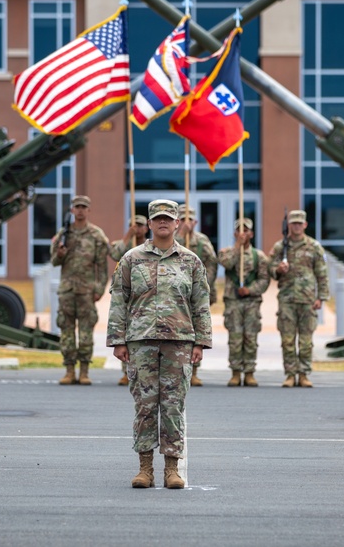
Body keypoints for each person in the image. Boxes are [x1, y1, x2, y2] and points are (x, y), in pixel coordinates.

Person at [108, 199, 212, 490]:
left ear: (177, 223)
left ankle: (171, 469)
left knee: (173, 406)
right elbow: (118, 300)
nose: (163, 222)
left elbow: (201, 303)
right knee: (144, 405)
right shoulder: (131, 258)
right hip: (140, 343)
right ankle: (145, 469)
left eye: (169, 218)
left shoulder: (191, 261)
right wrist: (118, 340)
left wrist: (201, 343)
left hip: (179, 343)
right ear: (150, 224)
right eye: (158, 218)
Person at [50, 195, 109, 386]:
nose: (81, 210)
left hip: (86, 291)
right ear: (72, 210)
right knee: (66, 331)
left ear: (88, 210)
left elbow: (102, 266)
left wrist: (99, 288)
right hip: (67, 290)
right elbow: (54, 262)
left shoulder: (96, 235)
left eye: (84, 207)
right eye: (77, 207)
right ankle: (69, 370)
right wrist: (59, 254)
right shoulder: (63, 235)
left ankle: (84, 371)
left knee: (85, 334)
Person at [268, 209, 329, 388]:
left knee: (305, 341)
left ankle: (303, 374)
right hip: (287, 299)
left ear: (305, 225)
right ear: (289, 225)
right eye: (293, 223)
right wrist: (278, 270)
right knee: (287, 340)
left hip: (307, 300)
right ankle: (290, 374)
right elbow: (269, 268)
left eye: (299, 223)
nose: (296, 226)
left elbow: (322, 274)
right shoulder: (281, 247)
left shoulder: (314, 247)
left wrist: (321, 297)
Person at [217, 217, 269, 387]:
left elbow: (264, 279)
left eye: (246, 230)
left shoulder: (258, 256)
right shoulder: (227, 252)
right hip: (233, 302)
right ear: (234, 233)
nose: (242, 233)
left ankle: (249, 372)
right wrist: (237, 246)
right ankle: (235, 372)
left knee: (250, 337)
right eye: (239, 230)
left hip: (251, 302)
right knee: (235, 337)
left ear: (251, 234)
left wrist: (250, 289)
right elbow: (227, 263)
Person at [176, 204, 217, 387]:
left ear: (195, 222)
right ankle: (175, 370)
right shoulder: (173, 240)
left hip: (195, 293)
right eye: (183, 219)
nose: (187, 223)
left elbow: (212, 263)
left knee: (196, 331)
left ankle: (194, 371)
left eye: (190, 219)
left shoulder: (202, 241)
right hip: (175, 295)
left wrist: (203, 283)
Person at [109, 214, 149, 386]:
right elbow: (115, 254)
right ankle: (126, 371)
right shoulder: (125, 245)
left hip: (144, 294)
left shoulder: (149, 246)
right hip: (127, 292)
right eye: (134, 225)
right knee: (125, 331)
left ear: (146, 227)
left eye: (140, 225)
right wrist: (127, 236)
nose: (137, 228)